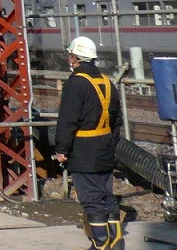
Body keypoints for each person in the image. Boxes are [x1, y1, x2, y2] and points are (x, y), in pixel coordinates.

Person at [54, 36, 124, 250]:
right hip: (105, 146)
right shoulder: (107, 81)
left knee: (91, 198)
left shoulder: (75, 84)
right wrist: (111, 143)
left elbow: (68, 119)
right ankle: (116, 241)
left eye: (71, 55)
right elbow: (117, 119)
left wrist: (61, 149)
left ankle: (100, 243)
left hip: (84, 150)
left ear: (74, 57)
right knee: (107, 195)